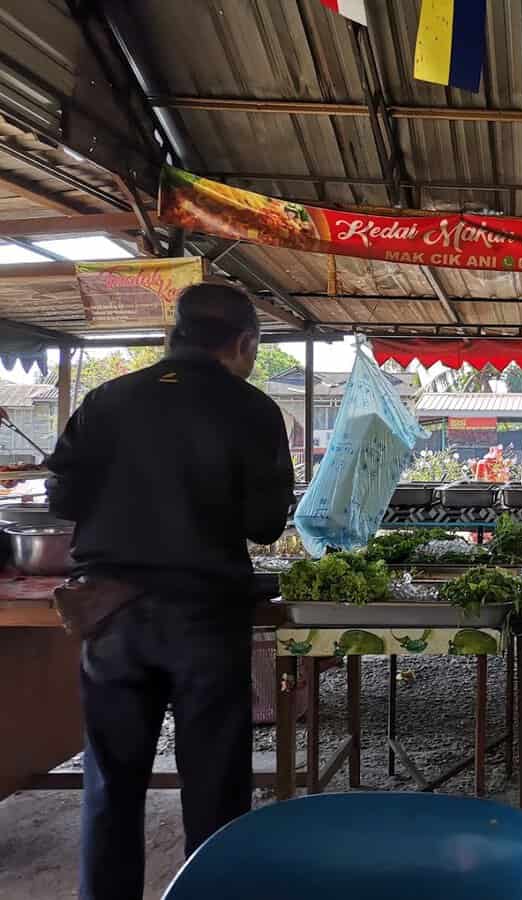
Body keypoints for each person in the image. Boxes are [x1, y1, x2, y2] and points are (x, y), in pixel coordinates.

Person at [46, 282, 295, 900]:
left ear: (173, 335)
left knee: (111, 785)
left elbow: (61, 498)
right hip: (205, 618)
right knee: (215, 786)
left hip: (112, 617)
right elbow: (265, 525)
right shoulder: (253, 410)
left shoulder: (106, 400)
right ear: (243, 343)